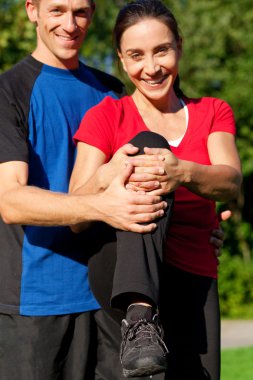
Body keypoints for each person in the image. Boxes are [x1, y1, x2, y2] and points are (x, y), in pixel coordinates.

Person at [70, 1, 242, 379]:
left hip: (193, 269)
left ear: (179, 45)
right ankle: (140, 314)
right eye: (136, 55)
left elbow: (230, 181)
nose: (151, 67)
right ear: (121, 58)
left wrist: (181, 172)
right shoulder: (105, 116)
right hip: (119, 272)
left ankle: (144, 319)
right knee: (148, 142)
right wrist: (109, 173)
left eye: (161, 50)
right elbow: (75, 216)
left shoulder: (213, 111)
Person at [0, 1, 170, 380]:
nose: (70, 24)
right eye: (57, 10)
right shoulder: (8, 90)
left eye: (81, 11)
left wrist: (202, 217)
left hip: (112, 297)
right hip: (38, 301)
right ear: (32, 10)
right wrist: (102, 206)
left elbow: (159, 167)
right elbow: (10, 201)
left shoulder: (112, 90)